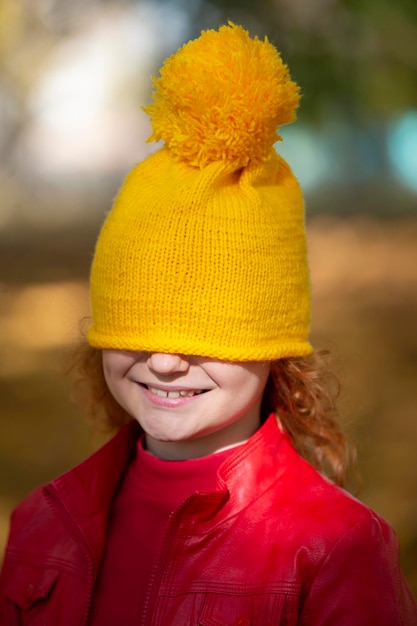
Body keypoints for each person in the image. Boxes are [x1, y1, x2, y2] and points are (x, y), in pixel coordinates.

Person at [0, 23, 416, 626]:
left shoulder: (335, 547)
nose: (165, 362)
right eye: (137, 325)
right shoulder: (42, 522)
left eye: (208, 331)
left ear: (273, 345)